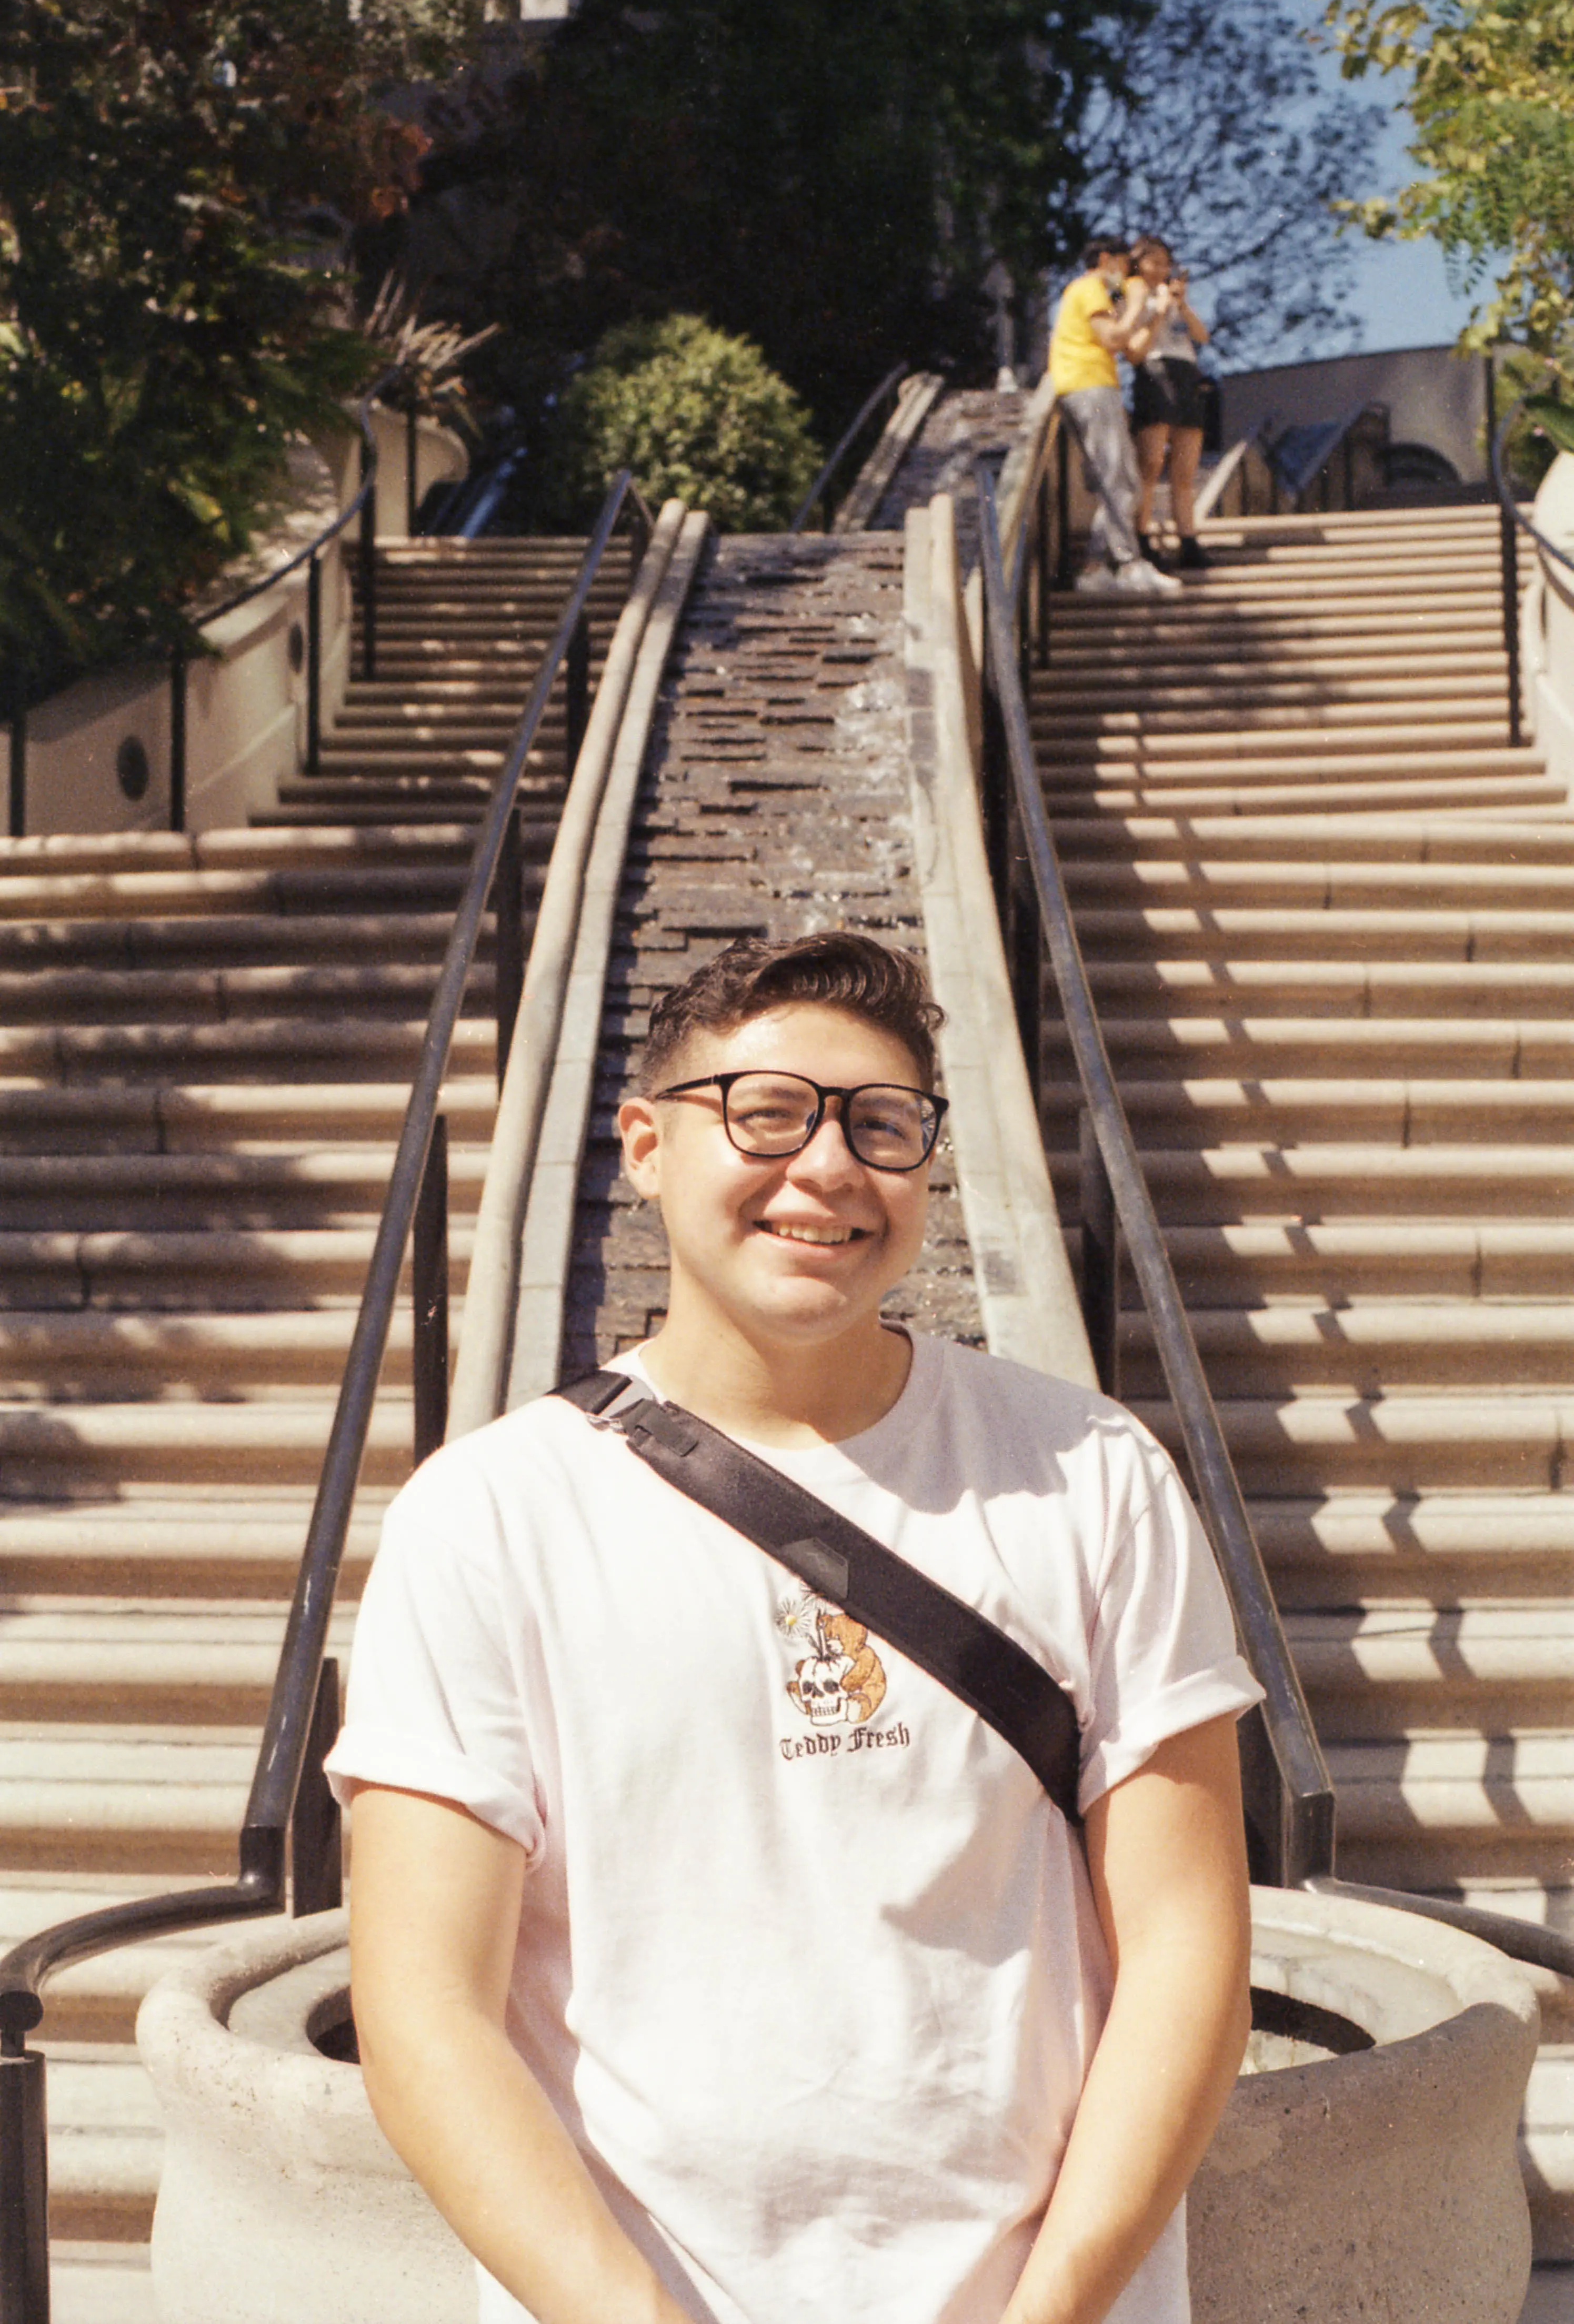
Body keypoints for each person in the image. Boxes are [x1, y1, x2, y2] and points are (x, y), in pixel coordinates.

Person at [328, 929, 1262, 2324]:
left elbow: (1186, 1946)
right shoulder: (488, 1514)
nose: (825, 1166)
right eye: (764, 1112)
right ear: (644, 1144)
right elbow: (421, 2008)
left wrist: (1054, 2304)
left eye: (879, 1125)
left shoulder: (1087, 1470)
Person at [1047, 236, 1178, 596]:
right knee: (1121, 478)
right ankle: (1127, 564)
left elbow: (1132, 348)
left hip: (1088, 386)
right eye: (1122, 266)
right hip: (1089, 385)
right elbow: (1113, 337)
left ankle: (1097, 567)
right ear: (1106, 260)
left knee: (1118, 481)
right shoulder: (1090, 287)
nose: (1124, 277)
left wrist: (1152, 315)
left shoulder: (1085, 292)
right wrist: (1136, 303)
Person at [1125, 236, 1212, 574]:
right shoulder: (1127, 292)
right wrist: (1157, 313)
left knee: (1186, 468)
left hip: (1185, 369)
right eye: (1155, 261)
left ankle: (1188, 539)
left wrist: (1182, 305)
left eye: (1167, 263)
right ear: (1139, 261)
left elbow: (1201, 336)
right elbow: (1131, 345)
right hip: (1154, 369)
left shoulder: (1172, 294)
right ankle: (1142, 536)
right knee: (1151, 462)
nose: (1162, 269)